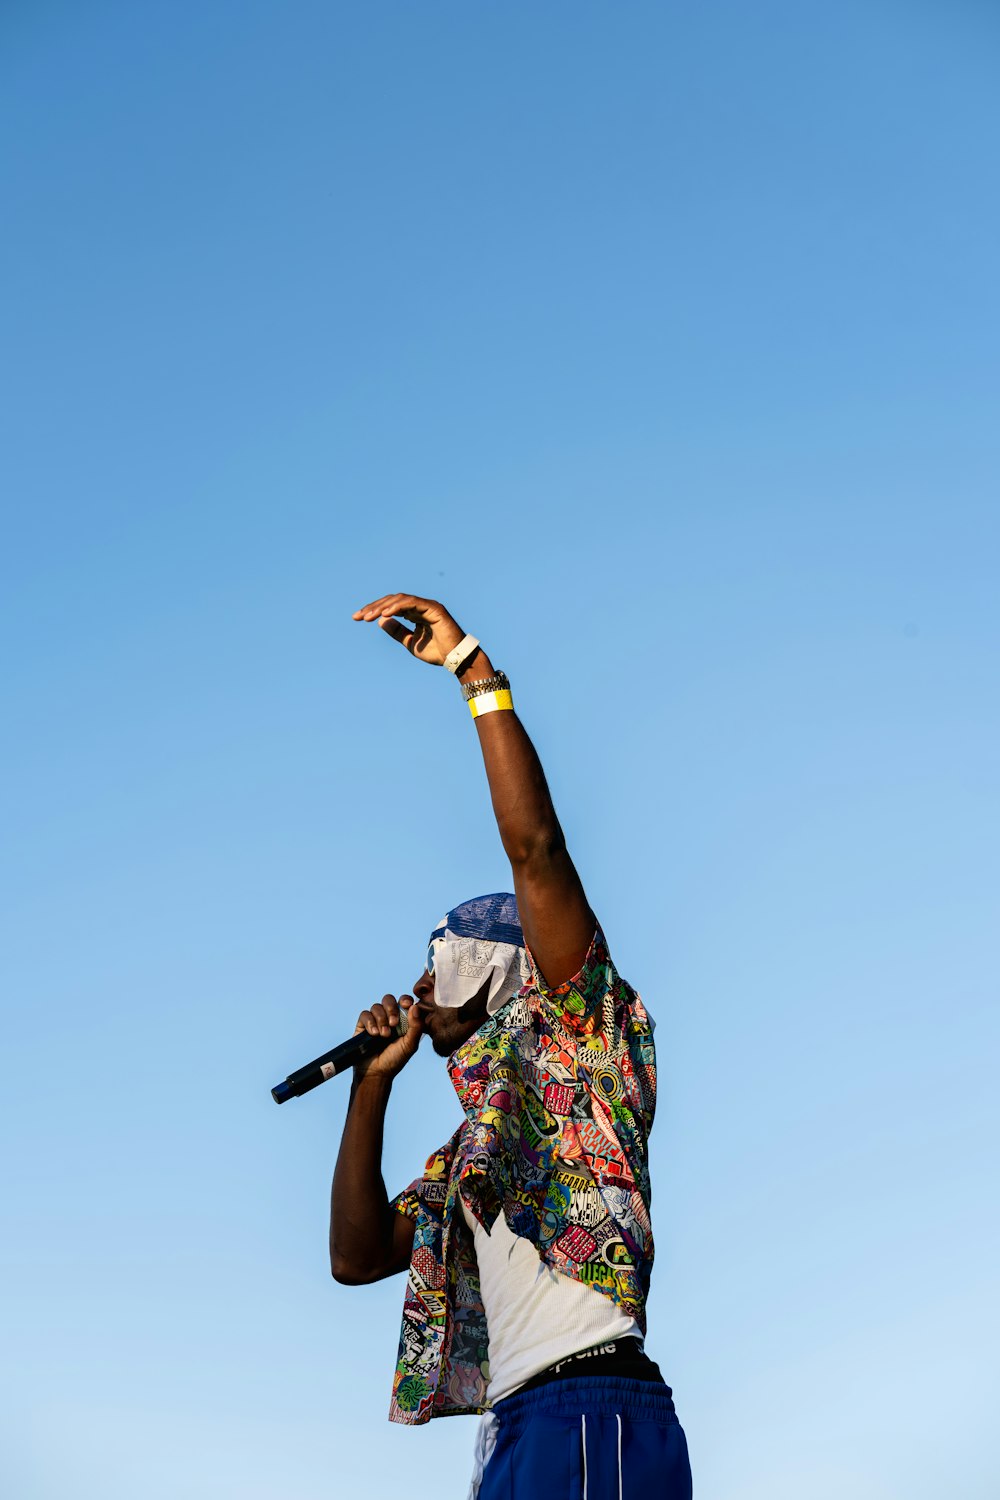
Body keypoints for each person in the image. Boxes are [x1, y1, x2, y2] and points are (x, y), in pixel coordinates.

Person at [330, 593, 693, 1499]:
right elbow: (356, 1256)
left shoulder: (577, 1032)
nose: (419, 990)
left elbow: (536, 853)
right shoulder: (473, 1154)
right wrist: (369, 1088)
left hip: (593, 1409)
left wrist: (474, 674)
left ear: (500, 973)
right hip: (516, 1427)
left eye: (438, 966)